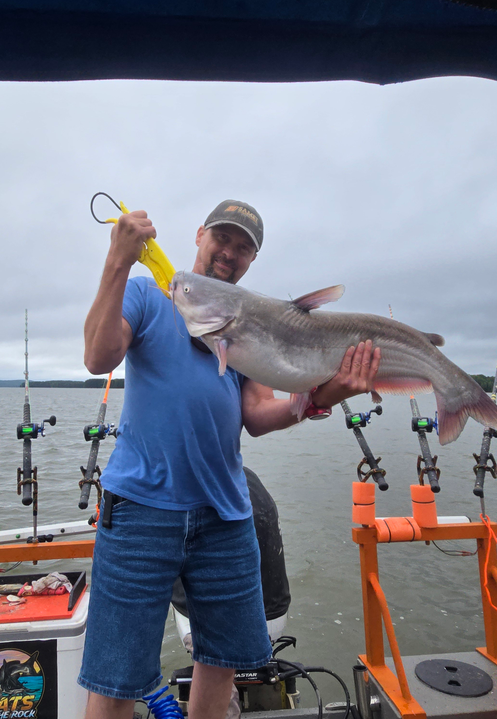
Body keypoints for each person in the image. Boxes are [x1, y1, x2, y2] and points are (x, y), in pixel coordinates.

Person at [79, 200, 381, 719]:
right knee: (116, 674)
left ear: (251, 261)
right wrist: (118, 261)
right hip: (140, 509)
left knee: (220, 663)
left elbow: (260, 414)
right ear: (199, 235)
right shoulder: (148, 295)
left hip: (226, 514)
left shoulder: (247, 320)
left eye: (244, 247)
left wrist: (314, 400)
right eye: (223, 237)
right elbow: (97, 357)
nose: (230, 252)